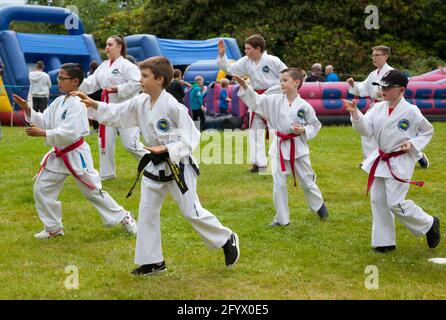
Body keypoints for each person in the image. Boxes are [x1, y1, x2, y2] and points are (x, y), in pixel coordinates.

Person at [71, 56, 240, 275]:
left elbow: (192, 137)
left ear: (159, 79)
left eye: (144, 76)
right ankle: (153, 261)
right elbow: (117, 113)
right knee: (147, 211)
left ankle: (226, 238)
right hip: (154, 165)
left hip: (179, 164)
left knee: (191, 212)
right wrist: (93, 104)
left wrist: (168, 149)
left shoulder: (173, 106)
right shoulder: (140, 101)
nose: (140, 80)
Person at [12, 63, 137, 239]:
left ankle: (124, 217)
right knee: (42, 188)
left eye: (62, 78)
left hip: (75, 153)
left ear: (75, 81)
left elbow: (70, 132)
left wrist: (43, 133)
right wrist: (27, 109)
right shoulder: (58, 101)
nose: (59, 82)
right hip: (59, 153)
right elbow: (45, 121)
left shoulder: (79, 103)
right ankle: (53, 228)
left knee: (92, 191)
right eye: (58, 78)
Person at [344, 69, 440, 253]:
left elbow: (427, 131)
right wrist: (355, 114)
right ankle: (384, 242)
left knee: (395, 203)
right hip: (381, 158)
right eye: (381, 86)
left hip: (400, 160)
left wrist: (412, 144)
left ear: (401, 90)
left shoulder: (411, 111)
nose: (382, 90)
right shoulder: (377, 108)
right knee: (378, 200)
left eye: (387, 87)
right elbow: (366, 130)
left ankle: (429, 223)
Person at [235, 69, 329, 226]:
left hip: (297, 148)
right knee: (278, 184)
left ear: (296, 82)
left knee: (306, 180)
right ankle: (281, 219)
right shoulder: (273, 100)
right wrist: (246, 87)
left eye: (285, 80)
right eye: (281, 80)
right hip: (278, 146)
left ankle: (318, 205)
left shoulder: (304, 106)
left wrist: (304, 130)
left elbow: (315, 125)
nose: (281, 83)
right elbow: (256, 101)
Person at [79, 35, 147, 180]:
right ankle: (107, 174)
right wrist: (77, 84)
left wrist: (117, 89)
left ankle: (154, 164)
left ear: (119, 47)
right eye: (106, 45)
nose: (107, 48)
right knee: (105, 142)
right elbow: (91, 83)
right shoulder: (103, 66)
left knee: (130, 144)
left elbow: (137, 83)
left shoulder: (128, 65)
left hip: (127, 109)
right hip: (107, 108)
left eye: (110, 44)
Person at [217, 35, 287, 173]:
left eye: (248, 49)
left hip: (273, 98)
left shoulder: (274, 61)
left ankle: (277, 161)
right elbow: (230, 70)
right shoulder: (246, 61)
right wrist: (222, 55)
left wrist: (268, 93)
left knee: (275, 130)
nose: (245, 51)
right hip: (255, 98)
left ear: (258, 49)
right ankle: (258, 163)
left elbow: (287, 78)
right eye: (245, 48)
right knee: (255, 130)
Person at [86, 61, 102, 131]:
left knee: (93, 110)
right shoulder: (100, 74)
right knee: (99, 109)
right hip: (99, 93)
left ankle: (96, 127)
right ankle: (100, 125)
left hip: (91, 94)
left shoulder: (89, 74)